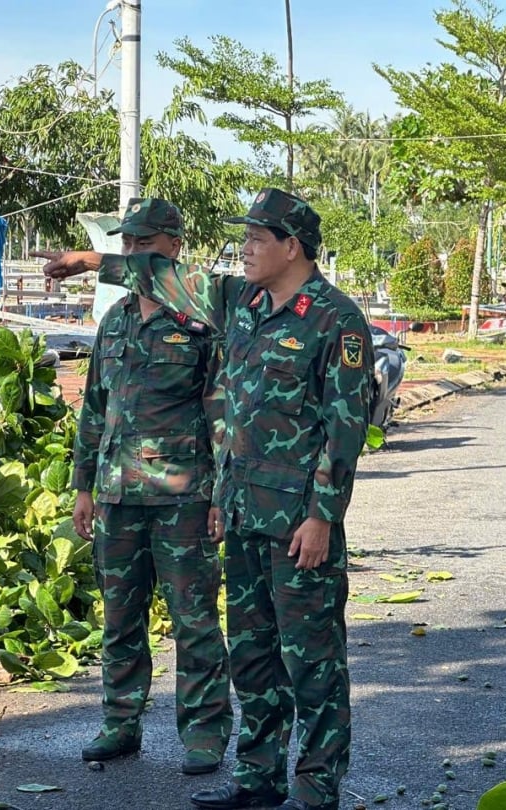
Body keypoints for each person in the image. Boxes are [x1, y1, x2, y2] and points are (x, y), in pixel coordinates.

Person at [38, 188, 373, 810]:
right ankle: (259, 776)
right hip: (245, 512)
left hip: (297, 520)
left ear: (291, 246)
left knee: (313, 661)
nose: (243, 249)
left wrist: (323, 516)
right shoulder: (239, 303)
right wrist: (89, 262)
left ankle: (318, 785)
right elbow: (162, 274)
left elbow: (344, 428)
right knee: (252, 656)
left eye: (255, 239)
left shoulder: (335, 318)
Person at [71, 198, 232, 775]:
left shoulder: (199, 322)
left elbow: (221, 413)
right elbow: (94, 408)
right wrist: (83, 485)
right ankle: (119, 723)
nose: (134, 253)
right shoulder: (114, 321)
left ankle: (205, 733)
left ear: (174, 248)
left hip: (181, 496)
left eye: (144, 244)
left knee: (193, 623)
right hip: (117, 497)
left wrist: (220, 494)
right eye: (128, 245)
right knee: (120, 618)